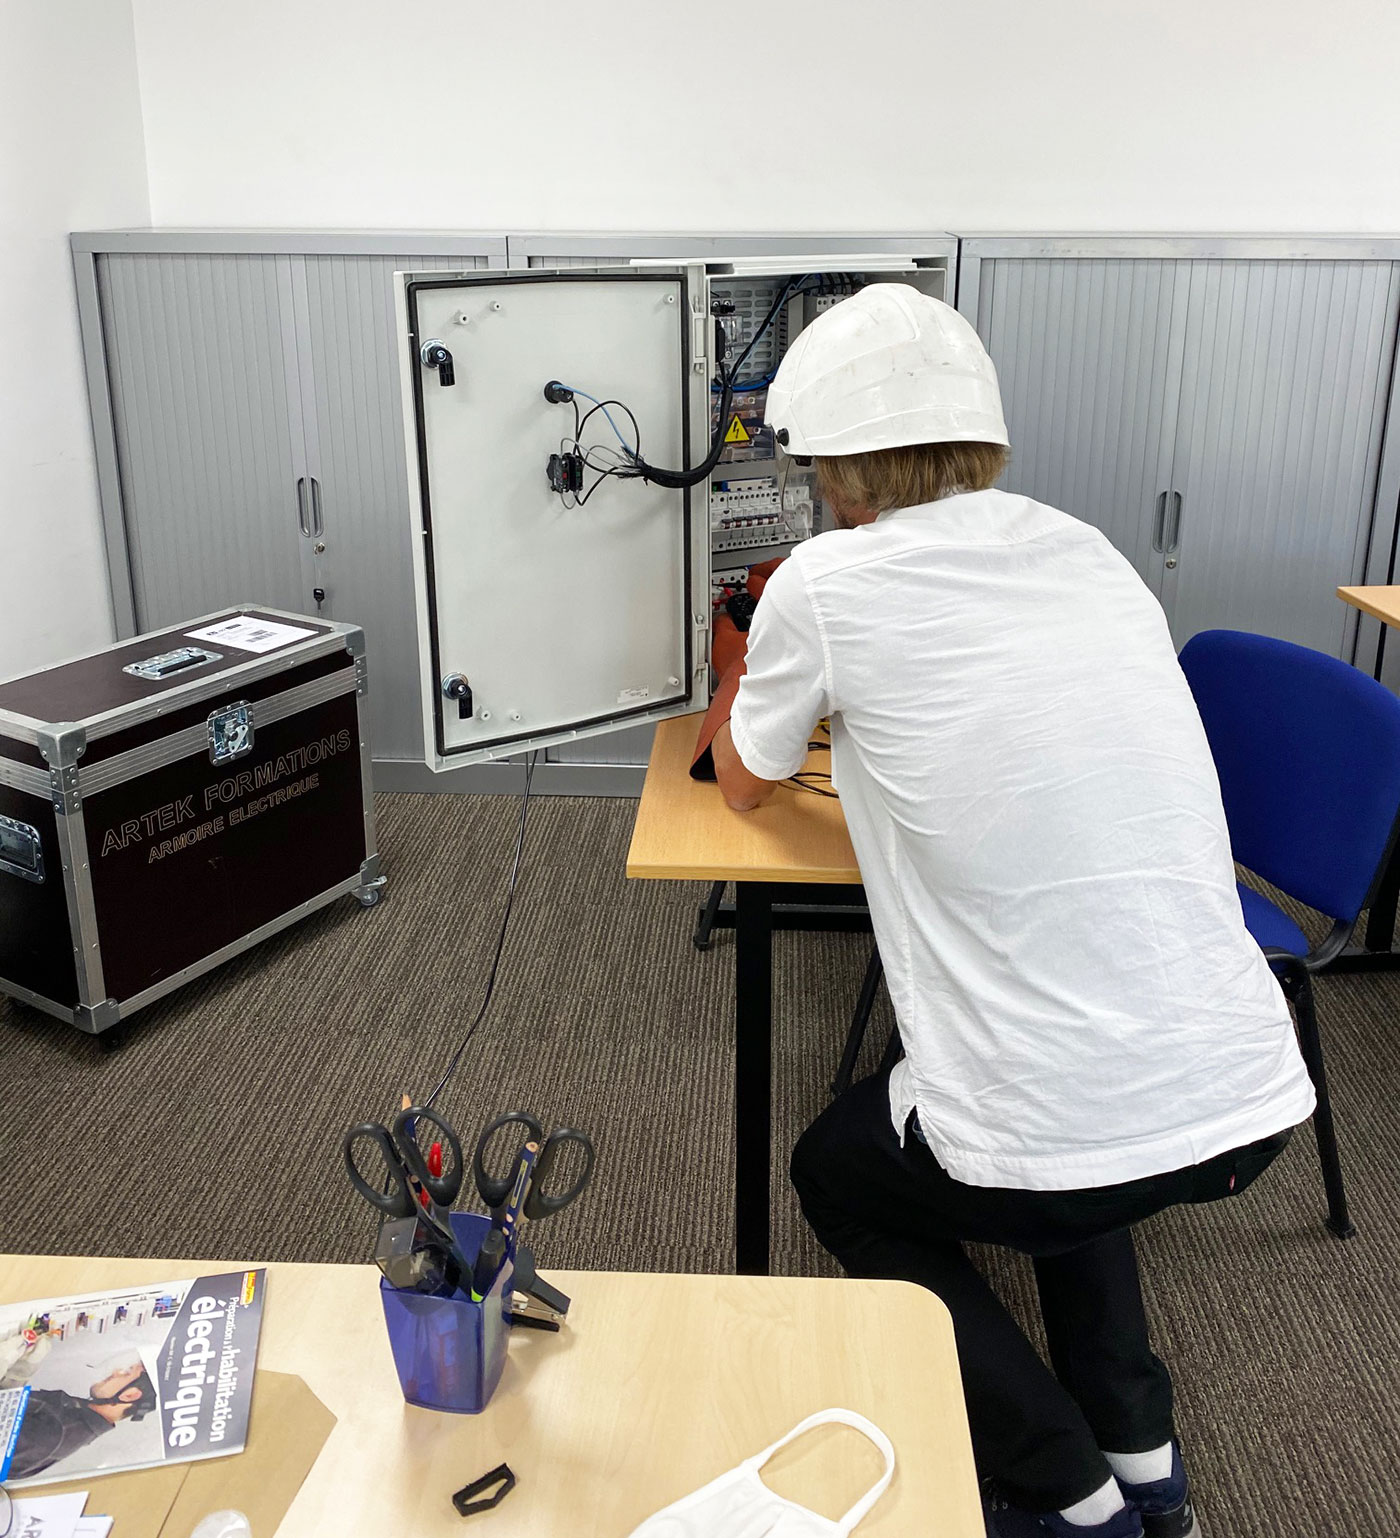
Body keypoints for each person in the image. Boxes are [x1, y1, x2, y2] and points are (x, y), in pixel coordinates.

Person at [707, 285, 1316, 1538]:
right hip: (1243, 1088)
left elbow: (743, 780)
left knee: (841, 1172)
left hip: (1087, 1105)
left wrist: (740, 657)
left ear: (836, 465)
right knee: (1064, 1132)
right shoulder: (1083, 547)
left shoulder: (822, 580)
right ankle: (1146, 1461)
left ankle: (1062, 1488)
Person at [7, 1358, 156, 1480]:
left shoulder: (56, 1431)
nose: (116, 1372)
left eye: (126, 1373)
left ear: (129, 1395)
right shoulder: (75, 1411)